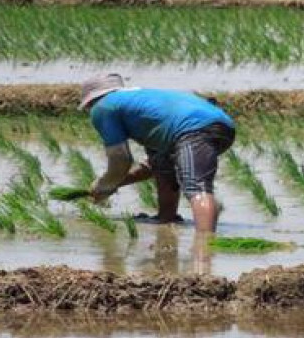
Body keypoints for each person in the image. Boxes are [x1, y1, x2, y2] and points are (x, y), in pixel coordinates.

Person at [78, 74, 235, 233]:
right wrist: (112, 185)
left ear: (92, 100)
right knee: (162, 164)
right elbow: (150, 168)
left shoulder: (103, 106)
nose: (90, 111)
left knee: (196, 186)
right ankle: (167, 217)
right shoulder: (143, 106)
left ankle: (204, 247)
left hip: (193, 129)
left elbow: (121, 159)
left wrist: (106, 183)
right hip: (223, 125)